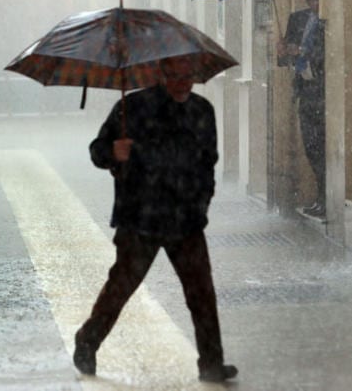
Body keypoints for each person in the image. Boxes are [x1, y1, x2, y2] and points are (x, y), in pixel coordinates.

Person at [72, 57, 237, 383]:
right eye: (175, 76)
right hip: (140, 218)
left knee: (201, 293)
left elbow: (208, 161)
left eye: (188, 75)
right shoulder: (132, 107)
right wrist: (112, 152)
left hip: (186, 219)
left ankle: (212, 362)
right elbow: (97, 149)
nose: (183, 83)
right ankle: (87, 341)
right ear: (161, 75)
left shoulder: (202, 110)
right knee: (121, 287)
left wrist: (204, 200)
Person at [277, 0, 326, 217]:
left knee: (322, 147)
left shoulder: (329, 20)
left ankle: (326, 198)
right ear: (307, 1)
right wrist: (283, 52)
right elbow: (286, 59)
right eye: (312, 0)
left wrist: (304, 52)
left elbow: (327, 53)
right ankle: (321, 196)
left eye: (318, 0)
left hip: (323, 91)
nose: (315, 5)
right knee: (311, 147)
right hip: (305, 91)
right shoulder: (297, 19)